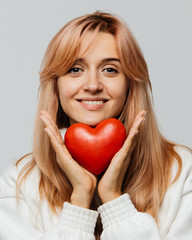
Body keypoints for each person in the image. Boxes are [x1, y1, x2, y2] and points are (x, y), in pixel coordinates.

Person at [0, 11, 192, 240]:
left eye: (110, 69)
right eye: (75, 69)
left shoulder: (181, 173)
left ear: (130, 84)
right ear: (56, 86)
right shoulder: (20, 183)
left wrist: (114, 200)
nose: (92, 85)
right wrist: (80, 202)